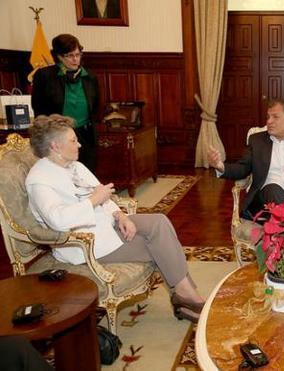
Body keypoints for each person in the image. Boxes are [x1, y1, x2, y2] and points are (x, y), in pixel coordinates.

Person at [25, 115, 204, 323]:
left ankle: (185, 297)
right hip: (84, 242)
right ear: (55, 146)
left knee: (159, 222)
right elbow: (58, 219)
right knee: (159, 246)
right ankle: (189, 298)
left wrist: (120, 215)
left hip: (105, 225)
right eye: (73, 140)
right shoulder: (39, 181)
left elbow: (103, 195)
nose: (80, 144)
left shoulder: (74, 166)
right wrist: (94, 200)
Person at [207, 99, 284, 222]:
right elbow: (242, 169)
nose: (269, 121)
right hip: (264, 202)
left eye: (275, 117)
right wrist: (220, 166)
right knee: (272, 188)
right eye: (268, 117)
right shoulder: (257, 141)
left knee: (279, 215)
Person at [31, 34, 99, 172]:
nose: (75, 59)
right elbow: (38, 107)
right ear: (59, 56)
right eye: (69, 55)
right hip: (57, 135)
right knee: (62, 171)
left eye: (78, 54)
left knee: (86, 171)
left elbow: (96, 105)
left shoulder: (90, 77)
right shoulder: (44, 76)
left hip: (85, 133)